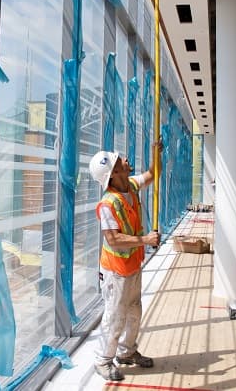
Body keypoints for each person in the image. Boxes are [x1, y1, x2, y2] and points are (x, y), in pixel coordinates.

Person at [88, 147, 161, 382]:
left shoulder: (129, 185)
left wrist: (154, 152)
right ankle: (103, 360)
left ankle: (127, 352)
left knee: (134, 311)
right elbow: (113, 239)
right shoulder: (108, 204)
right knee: (114, 316)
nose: (126, 159)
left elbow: (152, 174)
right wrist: (145, 240)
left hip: (132, 265)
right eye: (120, 160)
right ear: (114, 172)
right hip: (115, 270)